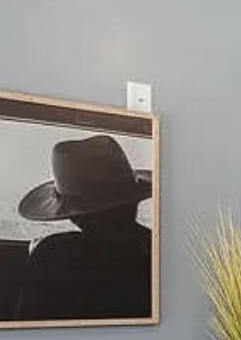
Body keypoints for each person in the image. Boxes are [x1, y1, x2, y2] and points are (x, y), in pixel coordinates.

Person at [14, 134, 152, 321]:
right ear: (133, 202)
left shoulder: (52, 254)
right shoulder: (156, 250)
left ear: (74, 217)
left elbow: (26, 326)